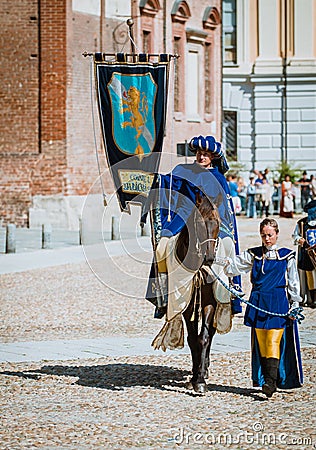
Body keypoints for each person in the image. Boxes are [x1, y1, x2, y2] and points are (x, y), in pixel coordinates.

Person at [223, 218, 303, 398]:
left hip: (278, 302)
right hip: (258, 301)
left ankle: (270, 382)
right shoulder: (254, 255)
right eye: (263, 235)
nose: (267, 239)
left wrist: (295, 304)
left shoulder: (286, 256)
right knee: (262, 344)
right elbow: (233, 266)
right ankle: (267, 380)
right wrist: (217, 260)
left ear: (276, 234)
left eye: (270, 235)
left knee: (273, 341)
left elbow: (293, 282)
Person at [292, 199, 316, 308]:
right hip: (306, 255)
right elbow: (295, 235)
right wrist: (299, 240)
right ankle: (311, 299)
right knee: (309, 277)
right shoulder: (302, 223)